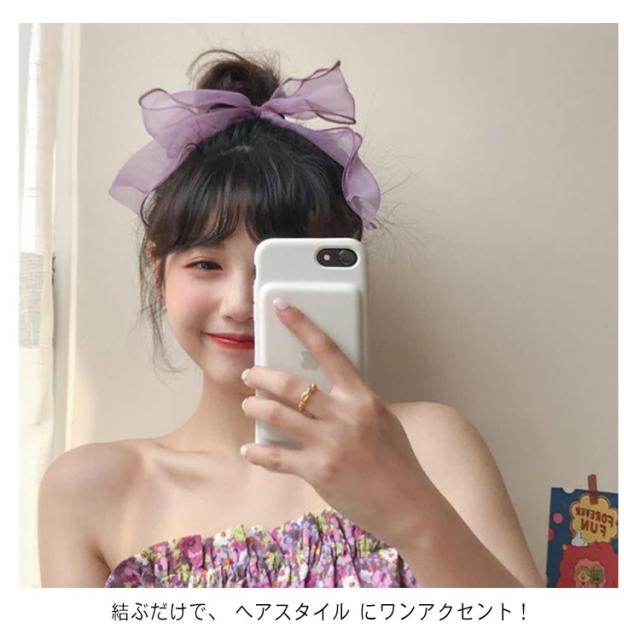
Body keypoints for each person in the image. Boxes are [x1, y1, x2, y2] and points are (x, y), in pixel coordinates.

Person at [37, 48, 545, 588]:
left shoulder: (428, 445)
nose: (240, 304)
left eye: (273, 269)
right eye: (206, 264)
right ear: (158, 272)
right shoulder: (89, 491)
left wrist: (407, 507)